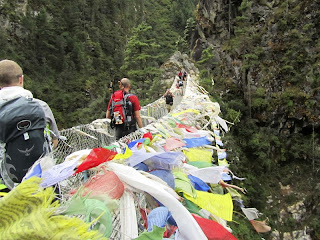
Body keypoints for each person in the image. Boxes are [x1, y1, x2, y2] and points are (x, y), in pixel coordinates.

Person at [0, 59, 60, 189]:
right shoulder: (41, 105)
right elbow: (55, 141)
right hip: (42, 182)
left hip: (9, 186)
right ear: (21, 79)